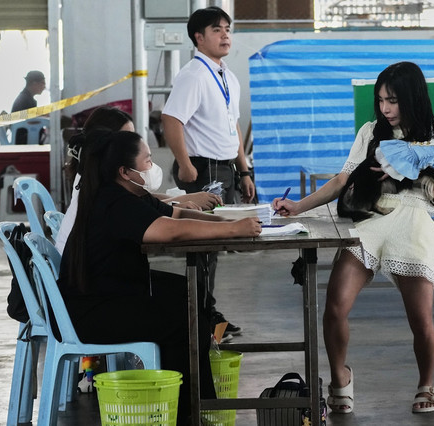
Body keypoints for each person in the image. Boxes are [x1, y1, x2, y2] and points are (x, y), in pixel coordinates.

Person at [273, 62, 434, 414]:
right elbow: (342, 180)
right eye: (381, 100)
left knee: (421, 321)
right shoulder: (370, 132)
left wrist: (404, 169)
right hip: (370, 222)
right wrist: (297, 207)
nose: (385, 108)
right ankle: (340, 378)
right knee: (334, 306)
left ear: (412, 97)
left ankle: (426, 384)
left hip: (413, 223)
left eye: (393, 100)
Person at [58, 129, 261, 425]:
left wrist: (225, 222)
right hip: (90, 314)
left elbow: (175, 215)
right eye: (148, 161)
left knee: (186, 293)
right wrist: (230, 230)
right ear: (125, 171)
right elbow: (169, 230)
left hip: (104, 296)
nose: (152, 167)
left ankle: (199, 403)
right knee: (183, 318)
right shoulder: (114, 201)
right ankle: (188, 412)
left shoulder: (126, 193)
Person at [161, 6, 254, 339]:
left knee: (213, 247)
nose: (225, 35)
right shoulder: (194, 75)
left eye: (228, 28)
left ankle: (206, 312)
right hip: (202, 169)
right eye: (217, 29)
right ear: (199, 38)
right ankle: (201, 318)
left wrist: (244, 170)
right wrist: (185, 164)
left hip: (224, 168)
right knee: (203, 245)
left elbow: (233, 126)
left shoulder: (227, 75)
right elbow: (171, 119)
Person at [54, 106, 224, 255]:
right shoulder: (102, 188)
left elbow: (143, 202)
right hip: (87, 274)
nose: (131, 143)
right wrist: (231, 227)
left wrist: (179, 202)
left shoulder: (99, 176)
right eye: (125, 137)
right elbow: (161, 223)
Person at [11, 70, 46, 144]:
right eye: (43, 83)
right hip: (24, 141)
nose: (44, 87)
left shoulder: (25, 97)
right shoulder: (25, 99)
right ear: (34, 83)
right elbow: (31, 120)